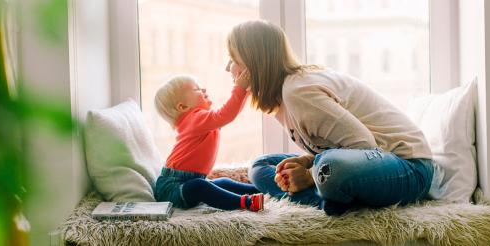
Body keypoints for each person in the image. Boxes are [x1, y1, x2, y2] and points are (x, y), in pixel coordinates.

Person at [225, 20, 436, 215]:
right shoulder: (283, 97)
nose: (228, 68)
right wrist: (308, 162)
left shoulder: (298, 92)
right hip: (365, 162)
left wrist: (309, 175)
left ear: (254, 64)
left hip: (408, 168)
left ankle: (325, 195)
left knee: (330, 168)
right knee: (262, 165)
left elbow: (364, 145)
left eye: (233, 60)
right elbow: (337, 148)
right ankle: (329, 200)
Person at [153, 74, 264, 212]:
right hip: (172, 188)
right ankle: (246, 202)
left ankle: (261, 190)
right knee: (200, 186)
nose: (204, 89)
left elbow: (229, 115)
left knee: (222, 182)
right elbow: (226, 114)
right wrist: (240, 88)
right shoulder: (195, 119)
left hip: (188, 181)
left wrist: (246, 92)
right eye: (197, 89)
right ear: (183, 107)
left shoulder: (201, 120)